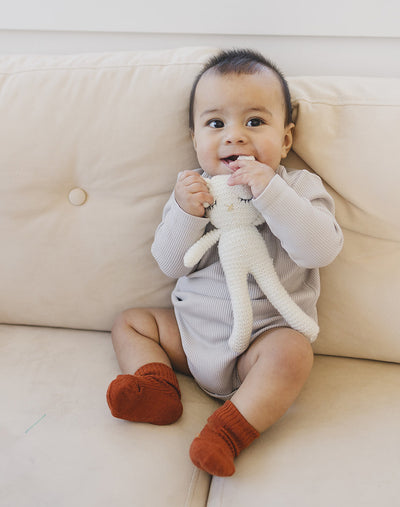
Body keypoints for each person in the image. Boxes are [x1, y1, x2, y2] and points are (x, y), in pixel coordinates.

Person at [106, 49, 343, 477]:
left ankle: (227, 433)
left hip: (262, 343)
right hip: (194, 337)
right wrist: (185, 212)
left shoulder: (298, 187)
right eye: (216, 124)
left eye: (254, 121)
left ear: (286, 139)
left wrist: (271, 193)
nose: (234, 136)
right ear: (196, 140)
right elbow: (171, 264)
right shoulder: (192, 192)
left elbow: (318, 250)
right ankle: (157, 386)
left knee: (294, 353)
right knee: (130, 322)